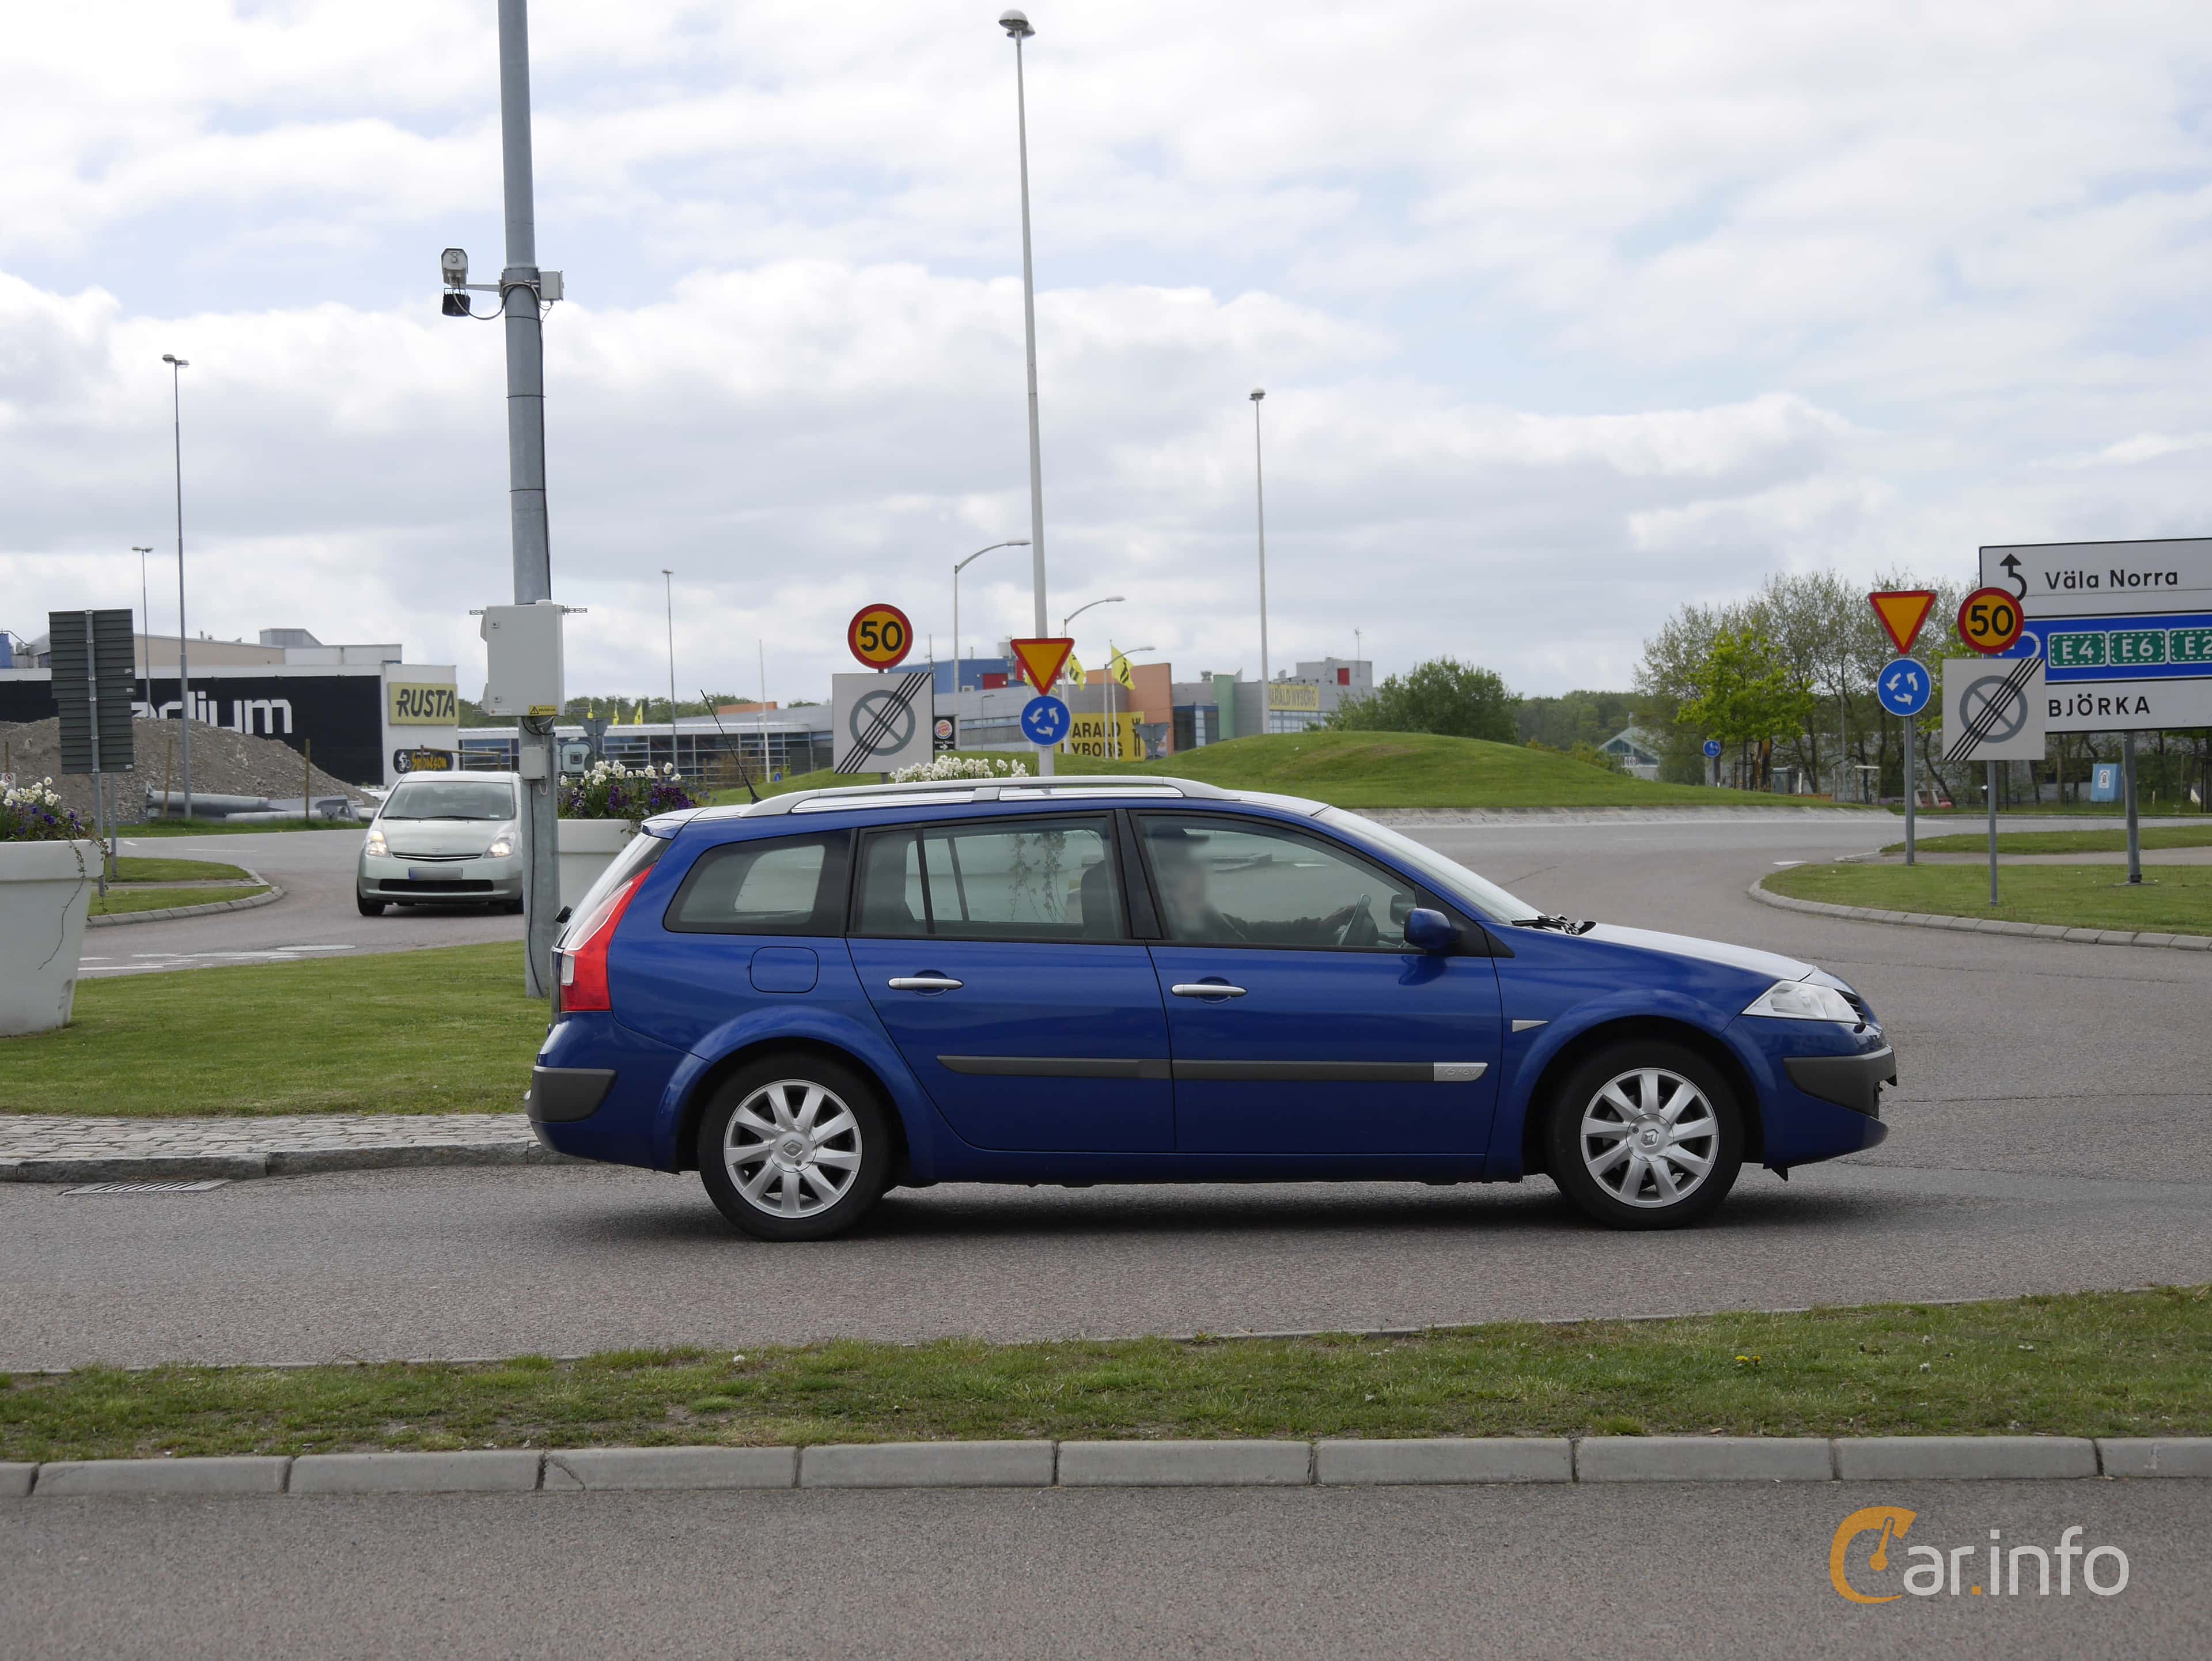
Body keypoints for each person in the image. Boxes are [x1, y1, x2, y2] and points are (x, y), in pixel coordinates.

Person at [1146, 827, 1375, 947]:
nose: (1191, 863)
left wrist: (1320, 927)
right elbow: (1238, 940)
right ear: (1161, 864)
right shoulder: (1165, 915)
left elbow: (1246, 930)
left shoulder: (1182, 907)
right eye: (1182, 856)